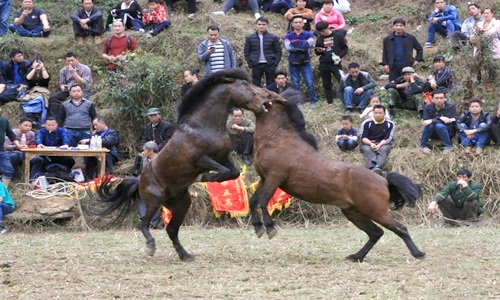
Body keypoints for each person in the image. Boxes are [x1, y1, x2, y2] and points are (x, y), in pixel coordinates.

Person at [285, 15, 317, 108]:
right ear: (292, 24)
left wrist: (295, 45)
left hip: (305, 62)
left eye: (300, 22)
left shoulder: (308, 34)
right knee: (295, 84)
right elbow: (288, 48)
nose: (298, 24)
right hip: (293, 63)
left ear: (303, 24)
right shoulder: (288, 36)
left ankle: (313, 100)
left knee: (310, 83)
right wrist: (303, 46)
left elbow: (310, 44)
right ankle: (298, 102)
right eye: (296, 22)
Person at [47, 52, 93, 118]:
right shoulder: (63, 70)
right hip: (69, 89)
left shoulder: (85, 69)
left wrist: (74, 73)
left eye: (72, 60)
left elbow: (85, 82)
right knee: (53, 98)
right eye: (68, 61)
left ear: (77, 59)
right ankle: (55, 119)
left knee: (80, 100)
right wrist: (62, 86)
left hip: (83, 89)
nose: (70, 63)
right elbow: (61, 82)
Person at [314, 21, 348, 106]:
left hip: (336, 63)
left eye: (323, 31)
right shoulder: (320, 38)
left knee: (342, 81)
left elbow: (345, 48)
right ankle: (330, 102)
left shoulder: (338, 36)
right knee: (326, 83)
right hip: (324, 63)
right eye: (320, 32)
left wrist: (340, 56)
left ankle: (346, 100)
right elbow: (317, 51)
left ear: (327, 28)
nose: (322, 33)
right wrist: (319, 50)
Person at [244, 17, 282, 86]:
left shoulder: (273, 37)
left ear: (267, 25)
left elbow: (278, 51)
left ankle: (270, 96)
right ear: (256, 25)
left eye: (264, 24)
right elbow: (247, 52)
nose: (261, 26)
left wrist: (275, 63)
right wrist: (250, 63)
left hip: (270, 64)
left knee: (271, 83)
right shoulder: (250, 38)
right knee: (255, 83)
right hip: (256, 64)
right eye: (259, 24)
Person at [359, 104, 395, 175]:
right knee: (367, 149)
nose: (378, 115)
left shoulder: (390, 124)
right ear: (372, 113)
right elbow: (363, 137)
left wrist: (379, 145)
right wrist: (371, 144)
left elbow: (388, 138)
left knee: (383, 149)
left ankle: (378, 166)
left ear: (384, 114)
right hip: (368, 142)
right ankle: (374, 168)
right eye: (375, 113)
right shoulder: (366, 123)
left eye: (380, 113)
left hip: (383, 143)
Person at [134, 141, 162, 228]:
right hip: (147, 184)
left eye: (145, 150)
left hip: (159, 185)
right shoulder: (144, 159)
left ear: (151, 151)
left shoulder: (160, 161)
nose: (143, 152)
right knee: (139, 195)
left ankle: (153, 222)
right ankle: (145, 218)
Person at [472, 7, 500, 93]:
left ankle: (490, 83)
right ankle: (478, 83)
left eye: (488, 13)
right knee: (477, 65)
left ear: (492, 14)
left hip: (492, 46)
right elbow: (473, 35)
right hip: (480, 47)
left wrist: (482, 32)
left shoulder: (497, 23)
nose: (486, 15)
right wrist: (475, 37)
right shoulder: (479, 24)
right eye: (484, 13)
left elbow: (493, 33)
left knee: (492, 65)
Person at [420, 89, 456, 155]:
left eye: (441, 98)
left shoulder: (451, 106)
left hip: (447, 130)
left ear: (445, 98)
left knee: (439, 125)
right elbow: (425, 121)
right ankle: (423, 145)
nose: (439, 100)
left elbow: (448, 120)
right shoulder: (428, 107)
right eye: (436, 98)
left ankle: (448, 146)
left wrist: (432, 120)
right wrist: (440, 118)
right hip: (432, 131)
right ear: (432, 99)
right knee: (429, 126)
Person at [0, 108, 25, 187]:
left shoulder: (3, 121)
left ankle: (3, 193)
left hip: (1, 151)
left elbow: (11, 134)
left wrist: (18, 145)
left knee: (8, 170)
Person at [23, 56, 50, 125]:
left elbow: (46, 78)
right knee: (35, 99)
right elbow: (28, 78)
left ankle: (38, 117)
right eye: (36, 62)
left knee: (40, 99)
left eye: (40, 62)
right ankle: (32, 115)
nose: (38, 64)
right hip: (32, 91)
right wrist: (34, 68)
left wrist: (43, 68)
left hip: (43, 91)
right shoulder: (30, 72)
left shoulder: (44, 72)